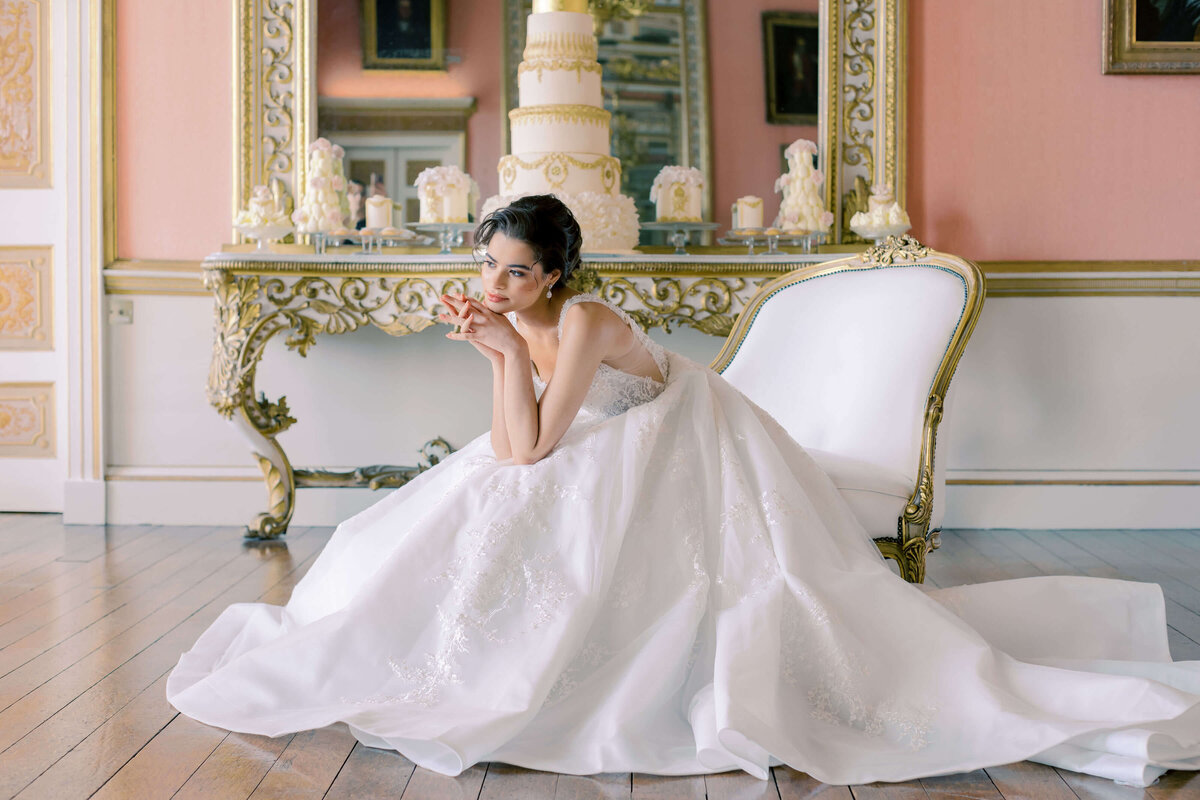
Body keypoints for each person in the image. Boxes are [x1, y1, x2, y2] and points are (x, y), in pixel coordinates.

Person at [166, 195, 1200, 787]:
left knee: (511, 495)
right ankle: (413, 638)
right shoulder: (522, 320)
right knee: (459, 496)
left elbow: (532, 448)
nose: (498, 285)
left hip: (694, 439)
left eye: (518, 272)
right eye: (490, 267)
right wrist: (491, 348)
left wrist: (506, 351)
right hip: (615, 441)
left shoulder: (581, 320)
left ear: (561, 273)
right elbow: (515, 438)